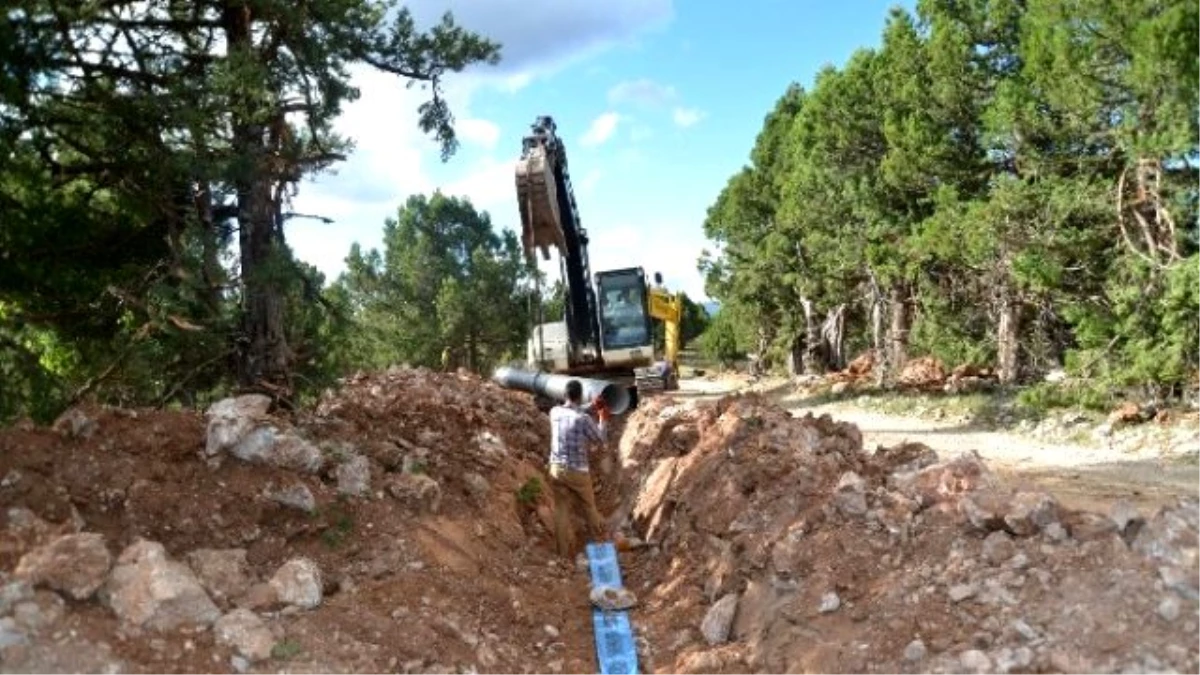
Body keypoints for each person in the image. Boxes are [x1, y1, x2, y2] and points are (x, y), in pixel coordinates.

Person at [547, 379, 611, 557]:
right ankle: (603, 548)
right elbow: (600, 440)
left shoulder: (554, 412)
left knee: (561, 510)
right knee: (590, 507)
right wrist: (602, 418)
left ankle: (562, 555)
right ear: (580, 396)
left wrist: (591, 405)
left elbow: (572, 411)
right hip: (577, 472)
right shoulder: (583, 419)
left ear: (565, 395)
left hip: (556, 469)